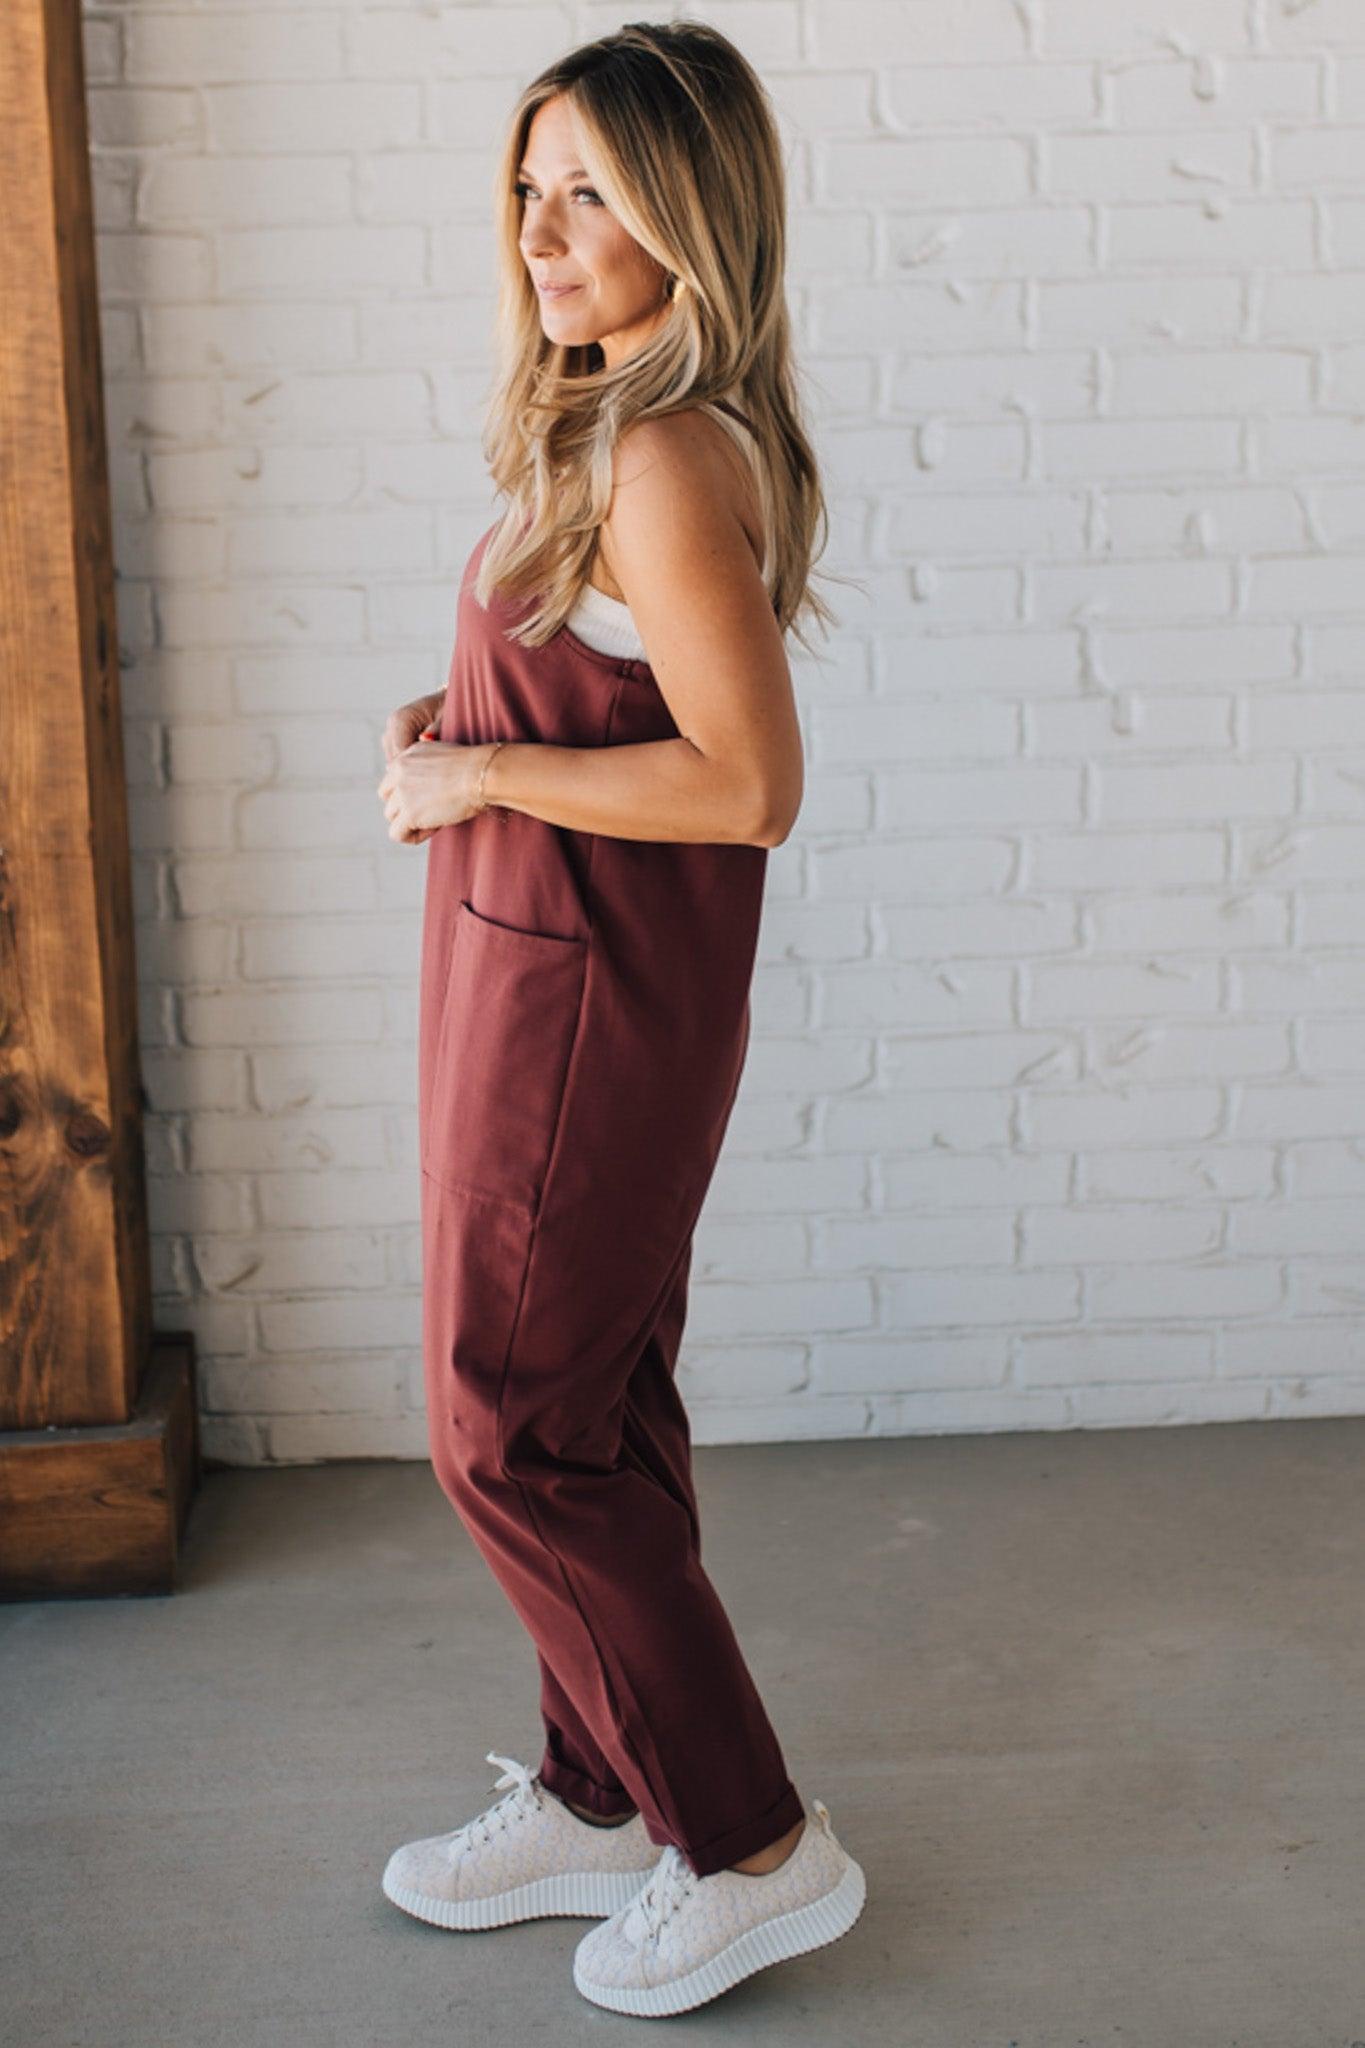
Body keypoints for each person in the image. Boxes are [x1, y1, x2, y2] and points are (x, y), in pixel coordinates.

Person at [374, 20, 865, 2018]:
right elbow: (613, 710)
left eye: (591, 191)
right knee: (587, 1403)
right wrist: (468, 728)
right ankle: (600, 1786)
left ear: (693, 214)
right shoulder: (602, 421)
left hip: (584, 1011)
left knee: (505, 1422)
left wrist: (486, 780)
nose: (542, 230)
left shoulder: (662, 444)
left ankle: (750, 1837)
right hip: (528, 974)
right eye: (529, 185)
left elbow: (747, 780)